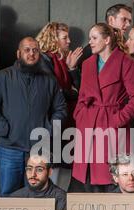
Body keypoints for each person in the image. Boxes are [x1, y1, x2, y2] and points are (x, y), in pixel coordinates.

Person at [0, 37, 67, 197]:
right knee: (8, 194)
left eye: (35, 50)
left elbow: (61, 108)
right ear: (18, 53)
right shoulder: (2, 77)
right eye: (27, 50)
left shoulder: (49, 80)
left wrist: (49, 130)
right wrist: (5, 129)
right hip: (10, 148)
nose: (31, 54)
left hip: (38, 149)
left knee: (38, 194)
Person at [70, 23, 134, 192]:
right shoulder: (87, 63)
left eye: (94, 38)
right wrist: (80, 115)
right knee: (87, 180)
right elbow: (82, 95)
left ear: (107, 39)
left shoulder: (126, 62)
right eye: (90, 39)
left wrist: (118, 119)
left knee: (110, 178)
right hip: (89, 125)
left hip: (113, 126)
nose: (90, 42)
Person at [36, 22, 83, 189]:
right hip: (52, 126)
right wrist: (73, 93)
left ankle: (60, 208)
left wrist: (72, 68)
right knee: (53, 169)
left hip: (66, 125)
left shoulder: (63, 60)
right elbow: (53, 92)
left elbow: (81, 88)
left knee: (64, 169)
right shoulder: (44, 59)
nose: (69, 41)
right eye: (65, 38)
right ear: (53, 39)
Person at [76, 4, 133, 75]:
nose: (128, 24)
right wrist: (72, 69)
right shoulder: (91, 49)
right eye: (124, 19)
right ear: (111, 20)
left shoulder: (127, 44)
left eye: (129, 21)